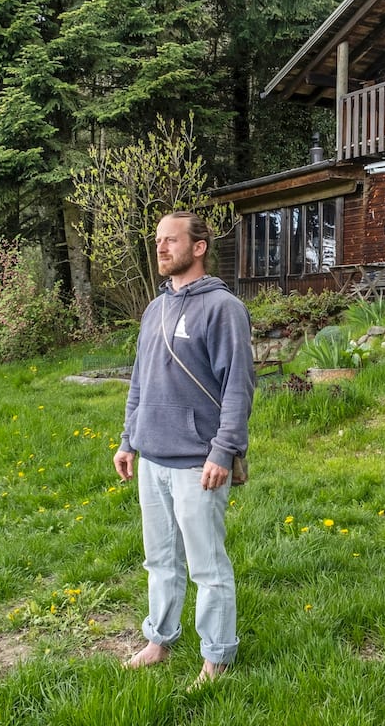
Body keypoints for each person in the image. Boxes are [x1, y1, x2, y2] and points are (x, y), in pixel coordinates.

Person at [113, 211, 255, 685]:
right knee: (160, 559)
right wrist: (128, 440)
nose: (160, 248)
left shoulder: (223, 308)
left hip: (197, 460)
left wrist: (223, 451)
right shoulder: (154, 310)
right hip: (151, 457)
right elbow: (140, 382)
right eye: (157, 241)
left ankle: (217, 656)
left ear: (199, 247)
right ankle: (159, 639)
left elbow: (238, 386)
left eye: (170, 240)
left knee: (207, 565)